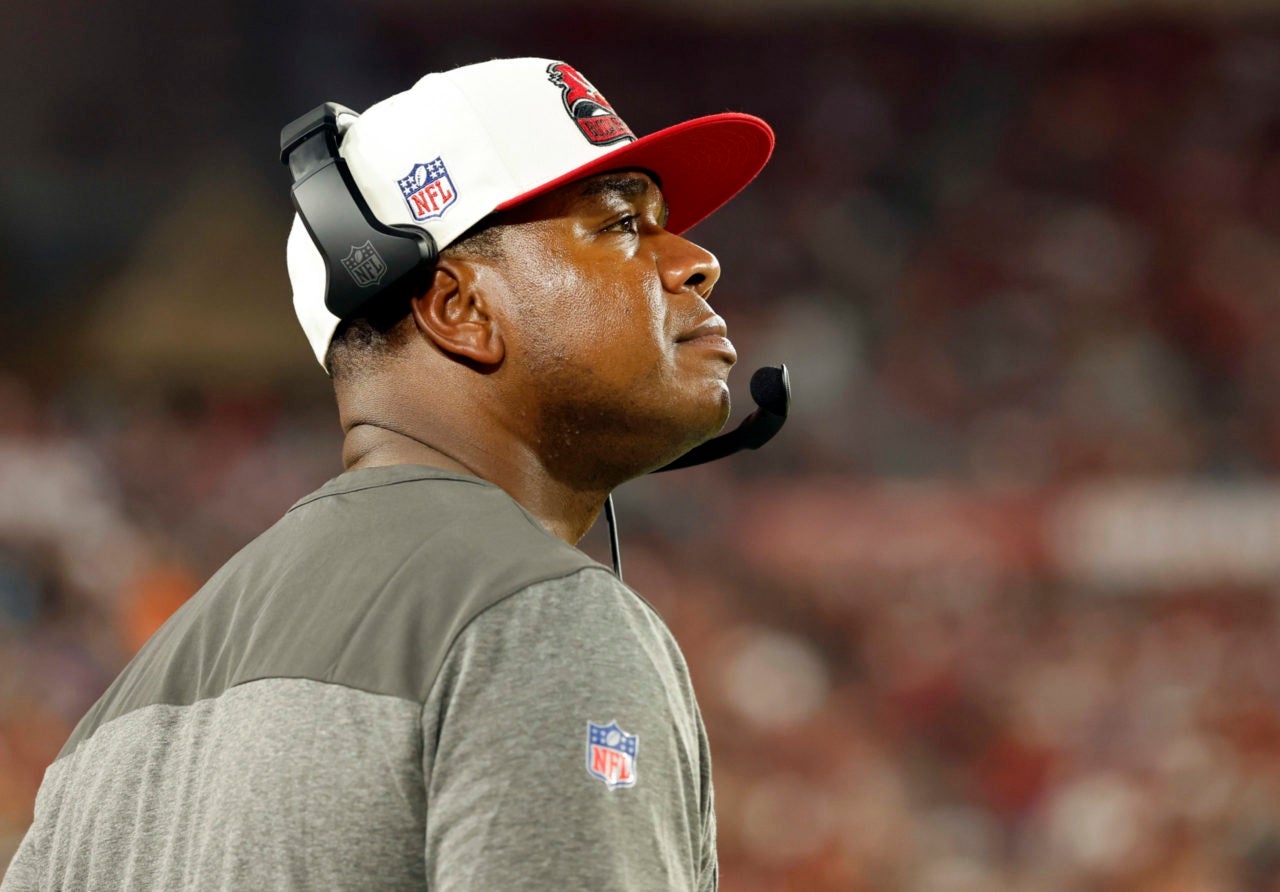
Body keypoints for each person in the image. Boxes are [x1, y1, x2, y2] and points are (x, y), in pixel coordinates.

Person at [2, 57, 773, 890]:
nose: (697, 261)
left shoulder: (109, 729)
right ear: (460, 310)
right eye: (623, 225)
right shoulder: (534, 618)